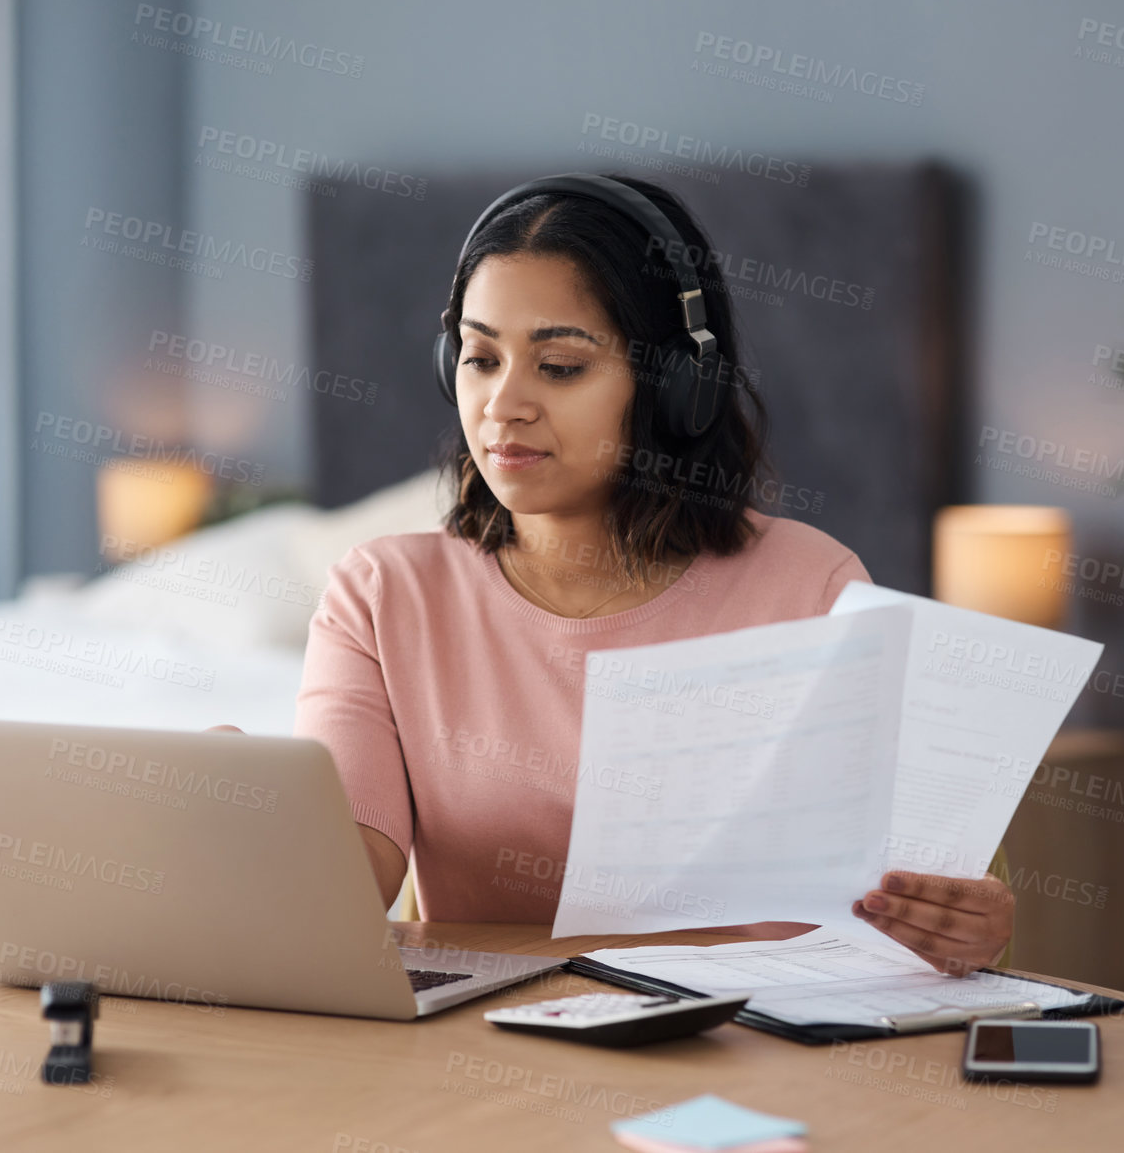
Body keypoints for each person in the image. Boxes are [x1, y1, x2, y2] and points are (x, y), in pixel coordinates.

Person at [238, 172, 1013, 976]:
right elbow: (347, 883)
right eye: (479, 357)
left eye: (561, 366)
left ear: (675, 387)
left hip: (756, 1054)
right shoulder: (380, 595)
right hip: (490, 1065)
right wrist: (254, 820)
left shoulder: (812, 587)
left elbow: (903, 887)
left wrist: (959, 920)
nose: (503, 404)